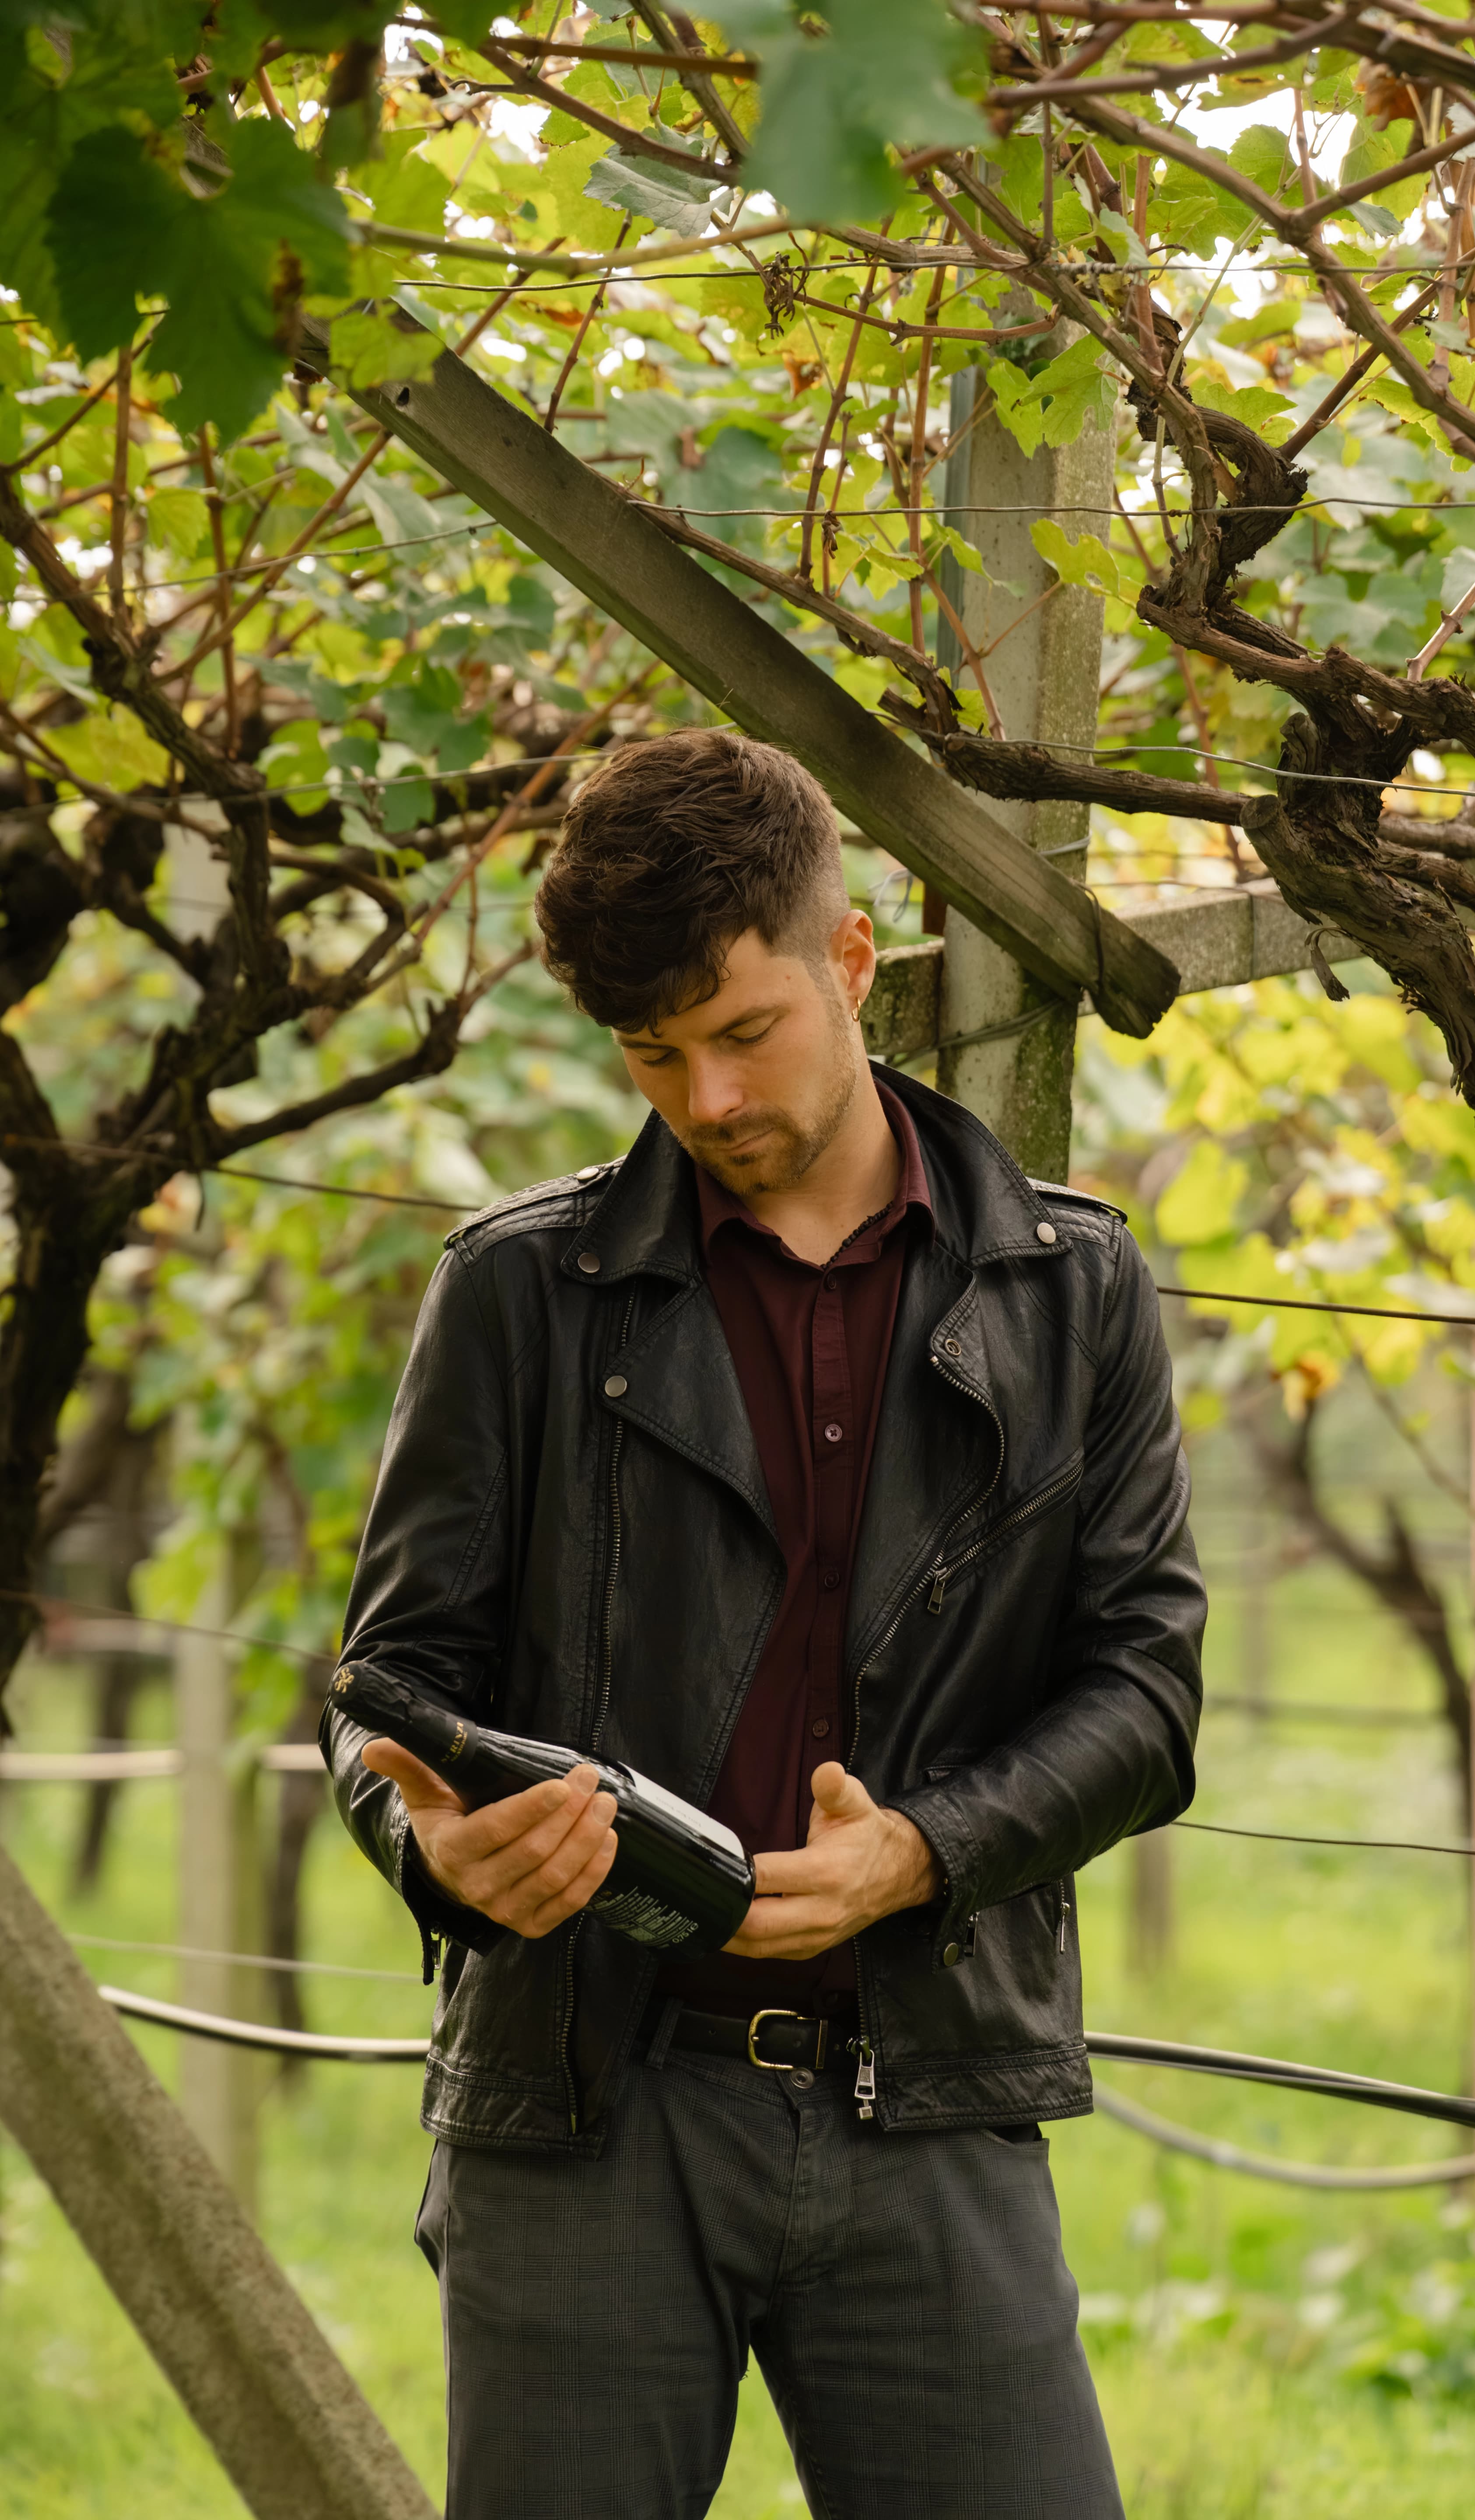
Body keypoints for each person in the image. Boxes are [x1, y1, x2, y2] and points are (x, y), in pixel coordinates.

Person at [324, 727, 1205, 2520]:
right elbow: (385, 1691)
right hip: (586, 2106)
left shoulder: (1074, 1288)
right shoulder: (517, 1291)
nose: (709, 1100)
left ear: (851, 957)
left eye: (745, 1032)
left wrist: (922, 1853)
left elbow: (1148, 1696)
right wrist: (434, 1848)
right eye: (654, 1056)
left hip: (931, 2087)